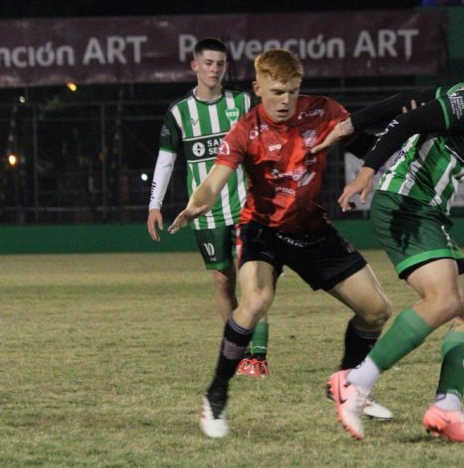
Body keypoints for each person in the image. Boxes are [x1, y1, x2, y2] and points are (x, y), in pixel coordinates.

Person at [315, 45, 464, 442]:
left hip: (428, 212)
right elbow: (410, 122)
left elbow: (413, 99)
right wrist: (366, 171)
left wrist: (350, 124)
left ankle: (445, 408)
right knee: (444, 300)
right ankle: (355, 383)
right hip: (406, 205)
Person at [168, 48, 394, 438]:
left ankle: (346, 384)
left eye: (291, 90)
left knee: (376, 310)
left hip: (313, 230)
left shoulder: (324, 112)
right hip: (262, 229)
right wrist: (195, 206)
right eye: (276, 92)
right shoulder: (245, 130)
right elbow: (214, 182)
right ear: (258, 88)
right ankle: (216, 394)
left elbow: (365, 147)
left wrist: (392, 150)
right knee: (255, 300)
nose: (285, 100)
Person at [147, 38, 271, 378]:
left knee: (253, 280)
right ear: (195, 66)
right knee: (222, 281)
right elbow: (166, 161)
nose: (215, 69)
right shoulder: (179, 112)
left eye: (220, 64)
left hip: (247, 208)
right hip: (205, 213)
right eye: (209, 63)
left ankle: (258, 357)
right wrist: (154, 204)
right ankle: (240, 348)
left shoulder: (243, 102)